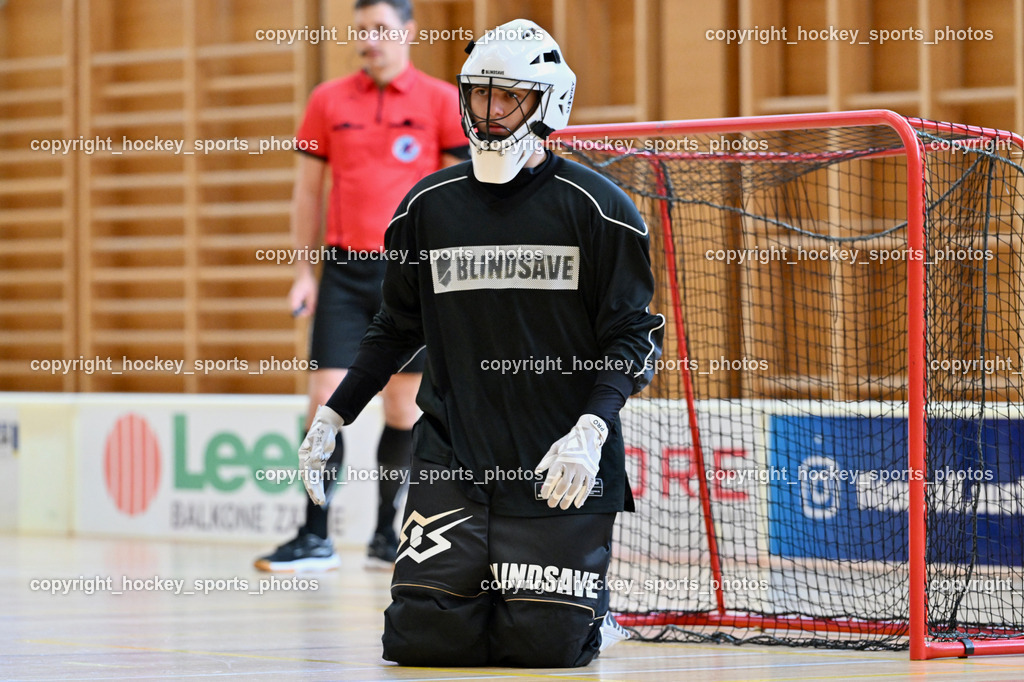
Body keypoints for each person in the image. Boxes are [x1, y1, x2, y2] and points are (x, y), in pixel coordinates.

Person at [297, 18, 664, 667]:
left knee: (544, 647)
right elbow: (393, 329)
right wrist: (335, 413)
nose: (492, 112)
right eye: (480, 95)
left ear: (549, 101)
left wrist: (592, 428)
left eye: (510, 96)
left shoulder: (599, 210)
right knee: (420, 642)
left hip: (558, 469)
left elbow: (633, 337)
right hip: (454, 465)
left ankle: (587, 610)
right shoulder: (426, 208)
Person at [255, 0, 469, 573]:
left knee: (403, 408)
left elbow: (457, 195)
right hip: (345, 272)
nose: (367, 40)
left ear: (408, 31)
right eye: (360, 32)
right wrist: (303, 271)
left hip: (412, 274)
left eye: (378, 29)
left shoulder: (441, 101)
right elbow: (307, 191)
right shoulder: (328, 100)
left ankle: (384, 534)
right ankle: (314, 535)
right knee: (323, 401)